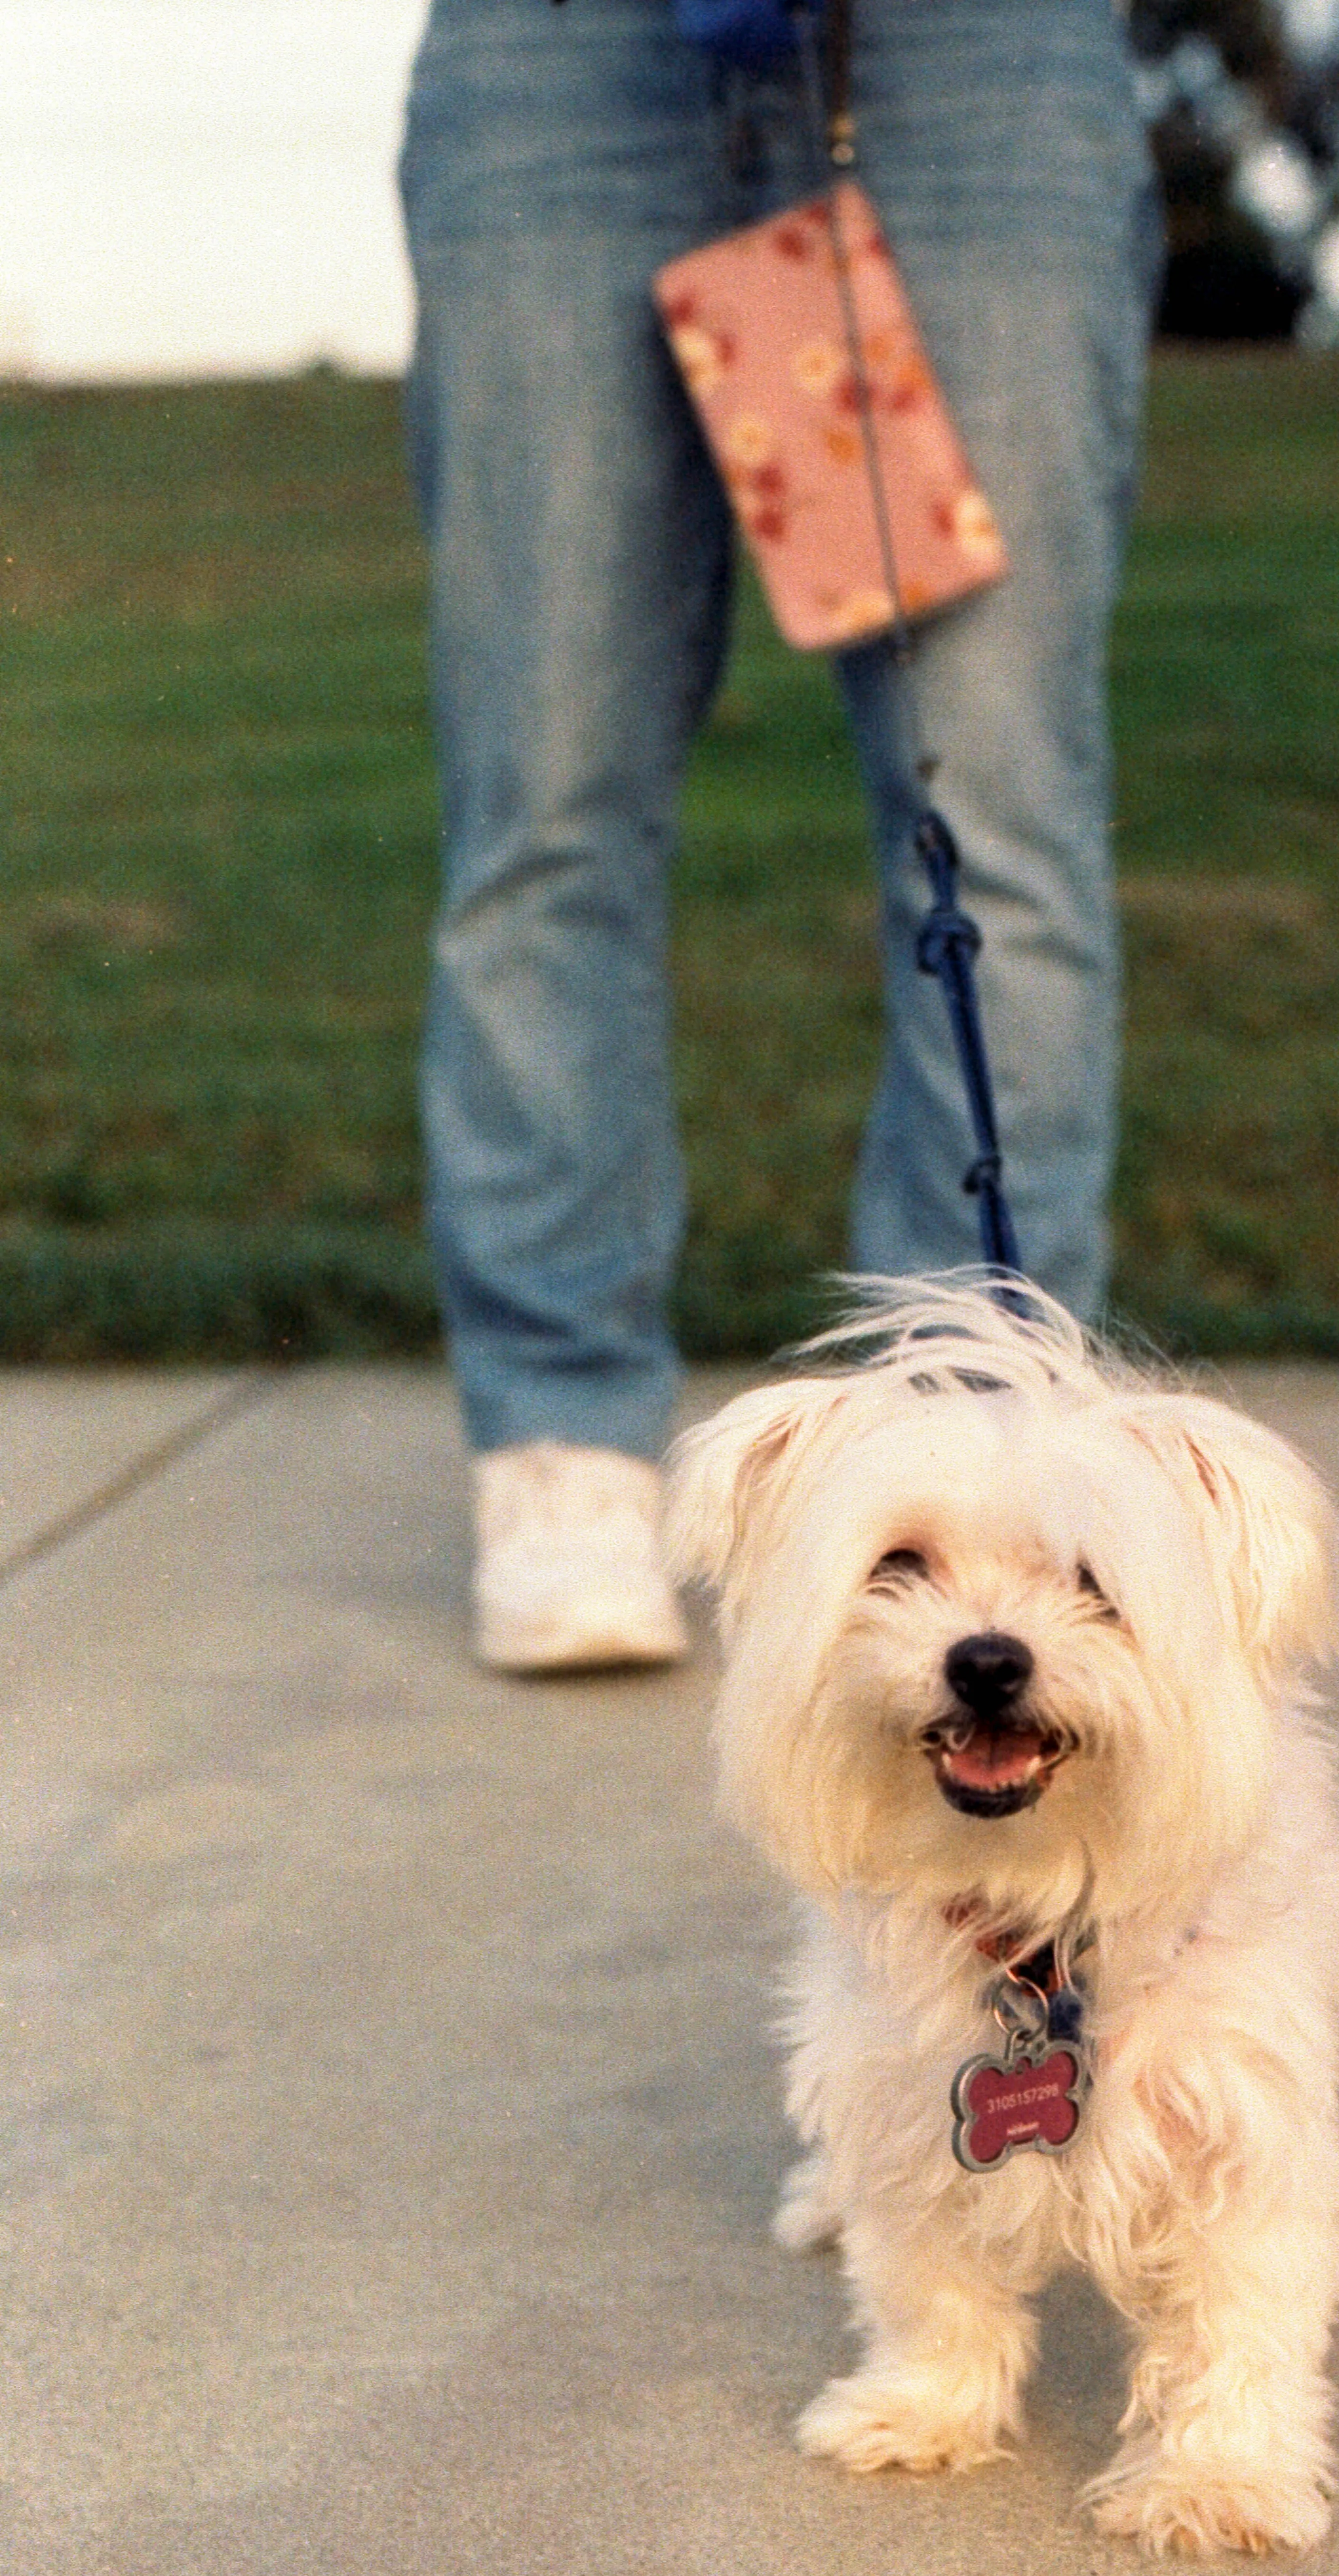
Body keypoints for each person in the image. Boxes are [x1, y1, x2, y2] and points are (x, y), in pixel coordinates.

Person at [398, 0, 1159, 1668]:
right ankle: (562, 1449)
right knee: (544, 815)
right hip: (562, 55)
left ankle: (967, 1477)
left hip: (968, 60)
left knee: (991, 822)